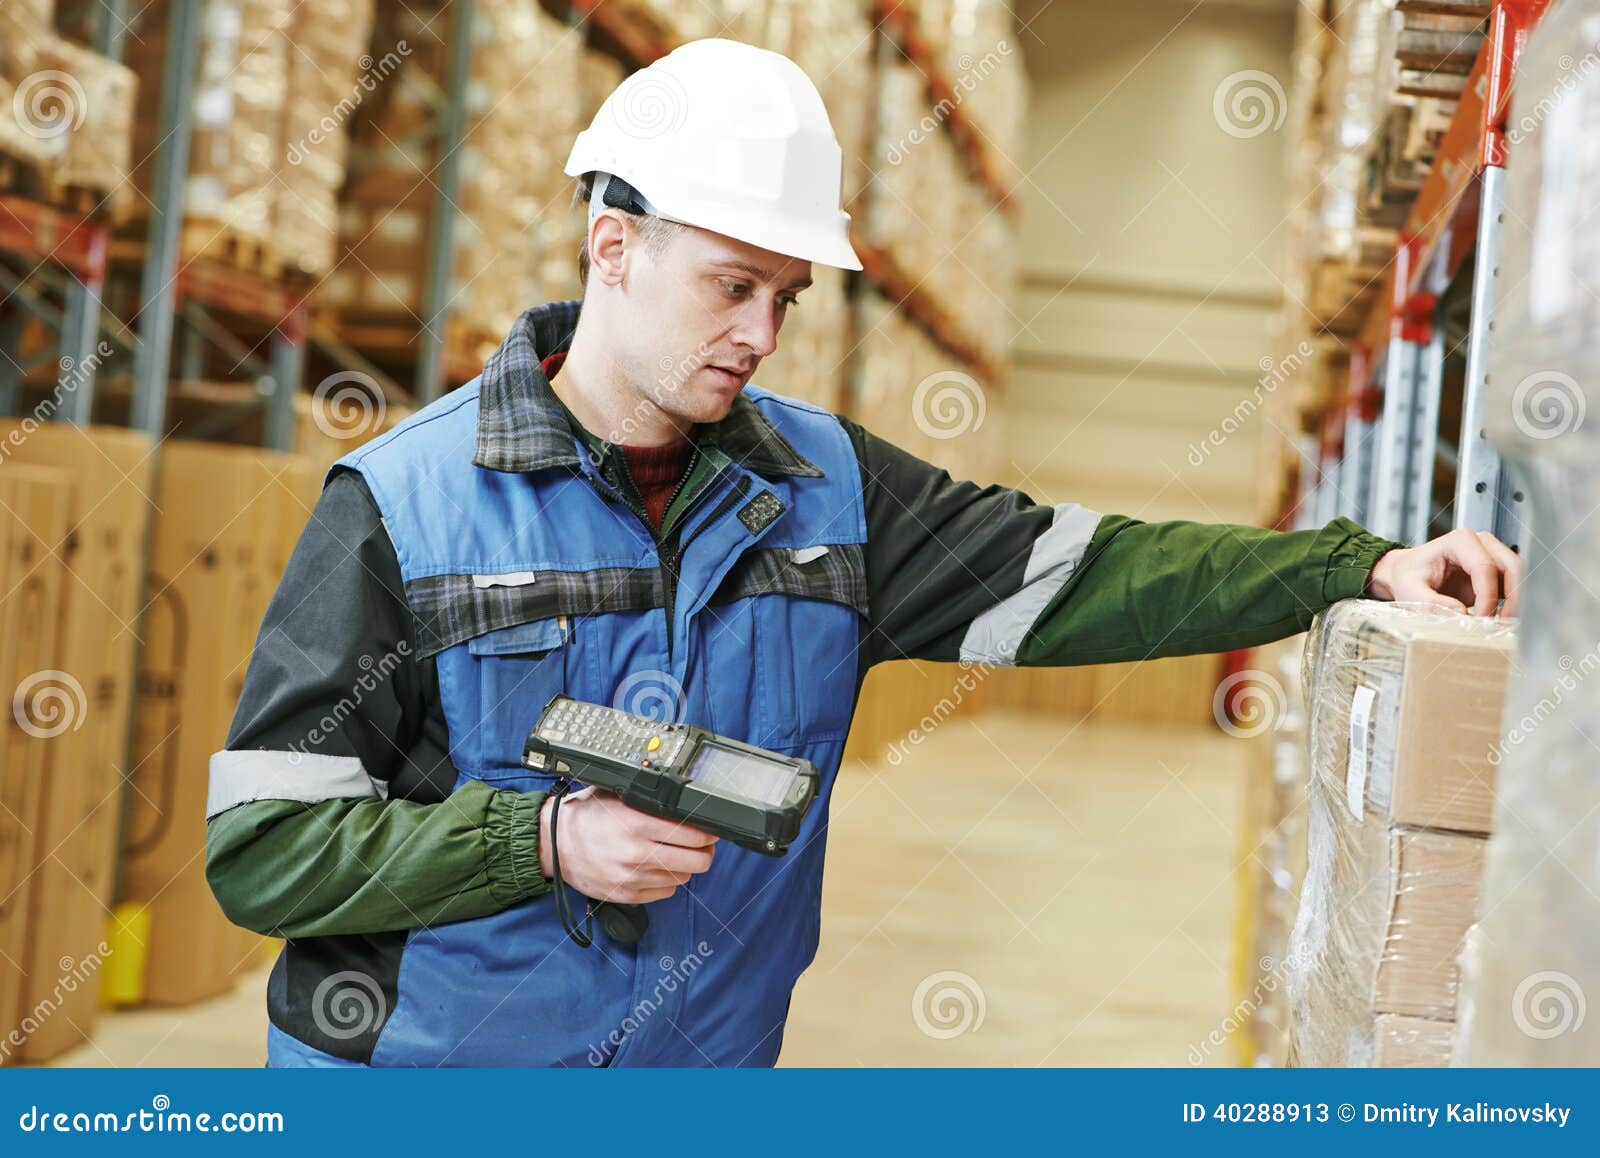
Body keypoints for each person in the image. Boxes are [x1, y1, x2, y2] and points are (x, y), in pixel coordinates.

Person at [205, 39, 1520, 1068]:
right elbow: (263, 847)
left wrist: (1353, 567)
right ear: (615, 248)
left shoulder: (826, 491)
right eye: (732, 287)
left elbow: (1088, 571)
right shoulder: (406, 502)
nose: (763, 337)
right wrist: (540, 838)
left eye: (785, 298)